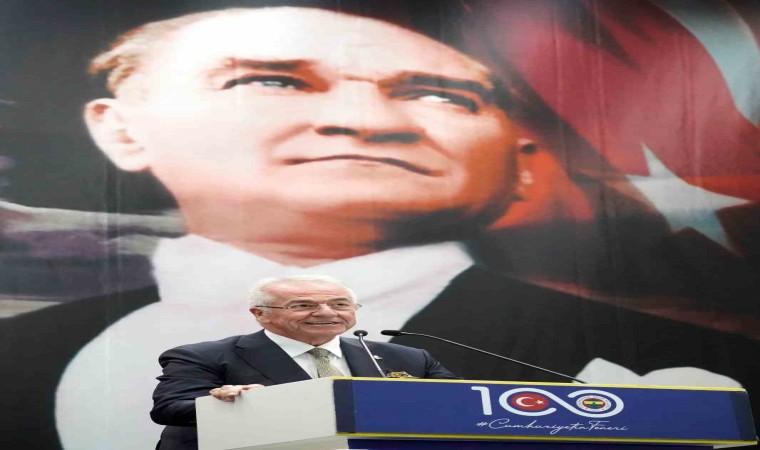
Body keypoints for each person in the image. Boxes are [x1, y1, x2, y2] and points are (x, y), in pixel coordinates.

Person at [1, 4, 757, 450]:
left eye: (441, 96)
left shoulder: (680, 364)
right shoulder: (26, 354)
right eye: (270, 80)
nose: (365, 121)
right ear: (122, 129)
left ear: (522, 162)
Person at [151, 274, 457, 449]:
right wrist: (230, 403)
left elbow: (460, 404)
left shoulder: (406, 356)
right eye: (302, 305)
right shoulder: (203, 355)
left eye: (340, 304)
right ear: (260, 314)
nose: (326, 312)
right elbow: (170, 408)